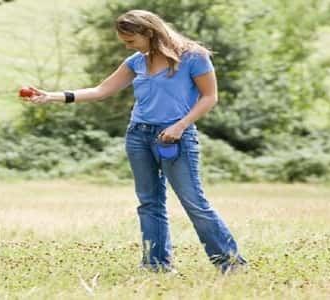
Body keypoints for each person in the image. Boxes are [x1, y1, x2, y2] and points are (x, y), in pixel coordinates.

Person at [21, 9, 247, 273]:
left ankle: (231, 264)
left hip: (175, 137)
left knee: (193, 202)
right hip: (138, 135)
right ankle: (156, 265)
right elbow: (101, 90)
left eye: (130, 40)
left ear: (149, 32)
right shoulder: (137, 61)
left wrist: (180, 126)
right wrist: (53, 96)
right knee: (149, 203)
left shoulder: (193, 57)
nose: (128, 46)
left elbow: (210, 97)